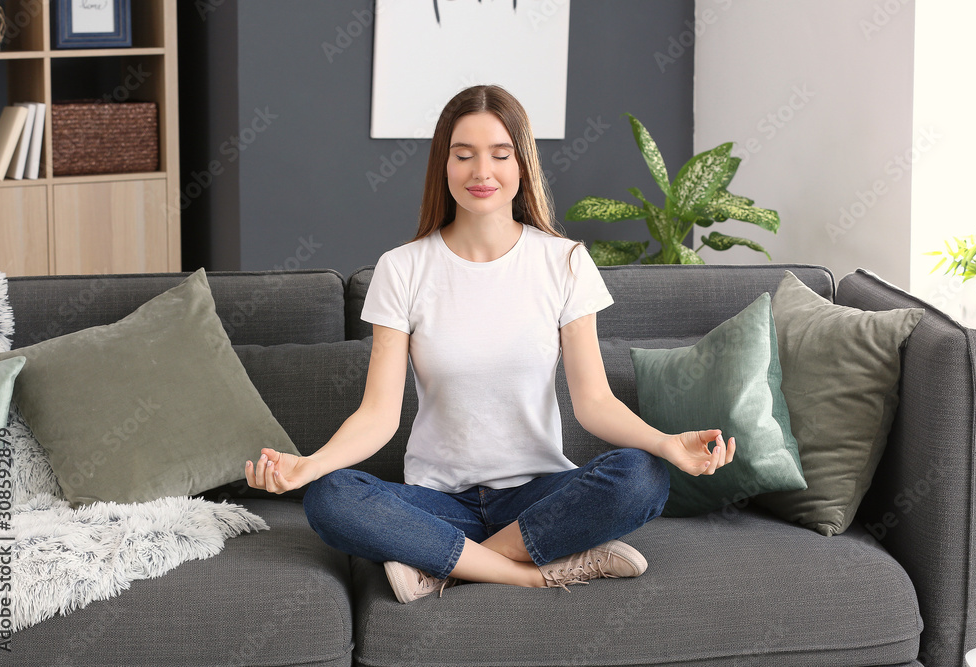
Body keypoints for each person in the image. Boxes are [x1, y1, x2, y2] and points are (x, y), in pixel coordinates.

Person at [245, 84, 735, 603]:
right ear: (444, 165)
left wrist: (664, 444)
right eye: (464, 155)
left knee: (641, 474)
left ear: (523, 165)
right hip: (437, 503)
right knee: (330, 497)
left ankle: (444, 561)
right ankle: (531, 569)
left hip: (537, 498)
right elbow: (379, 415)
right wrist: (310, 465)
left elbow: (594, 404)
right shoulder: (403, 269)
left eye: (500, 155)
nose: (483, 172)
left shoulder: (564, 263)